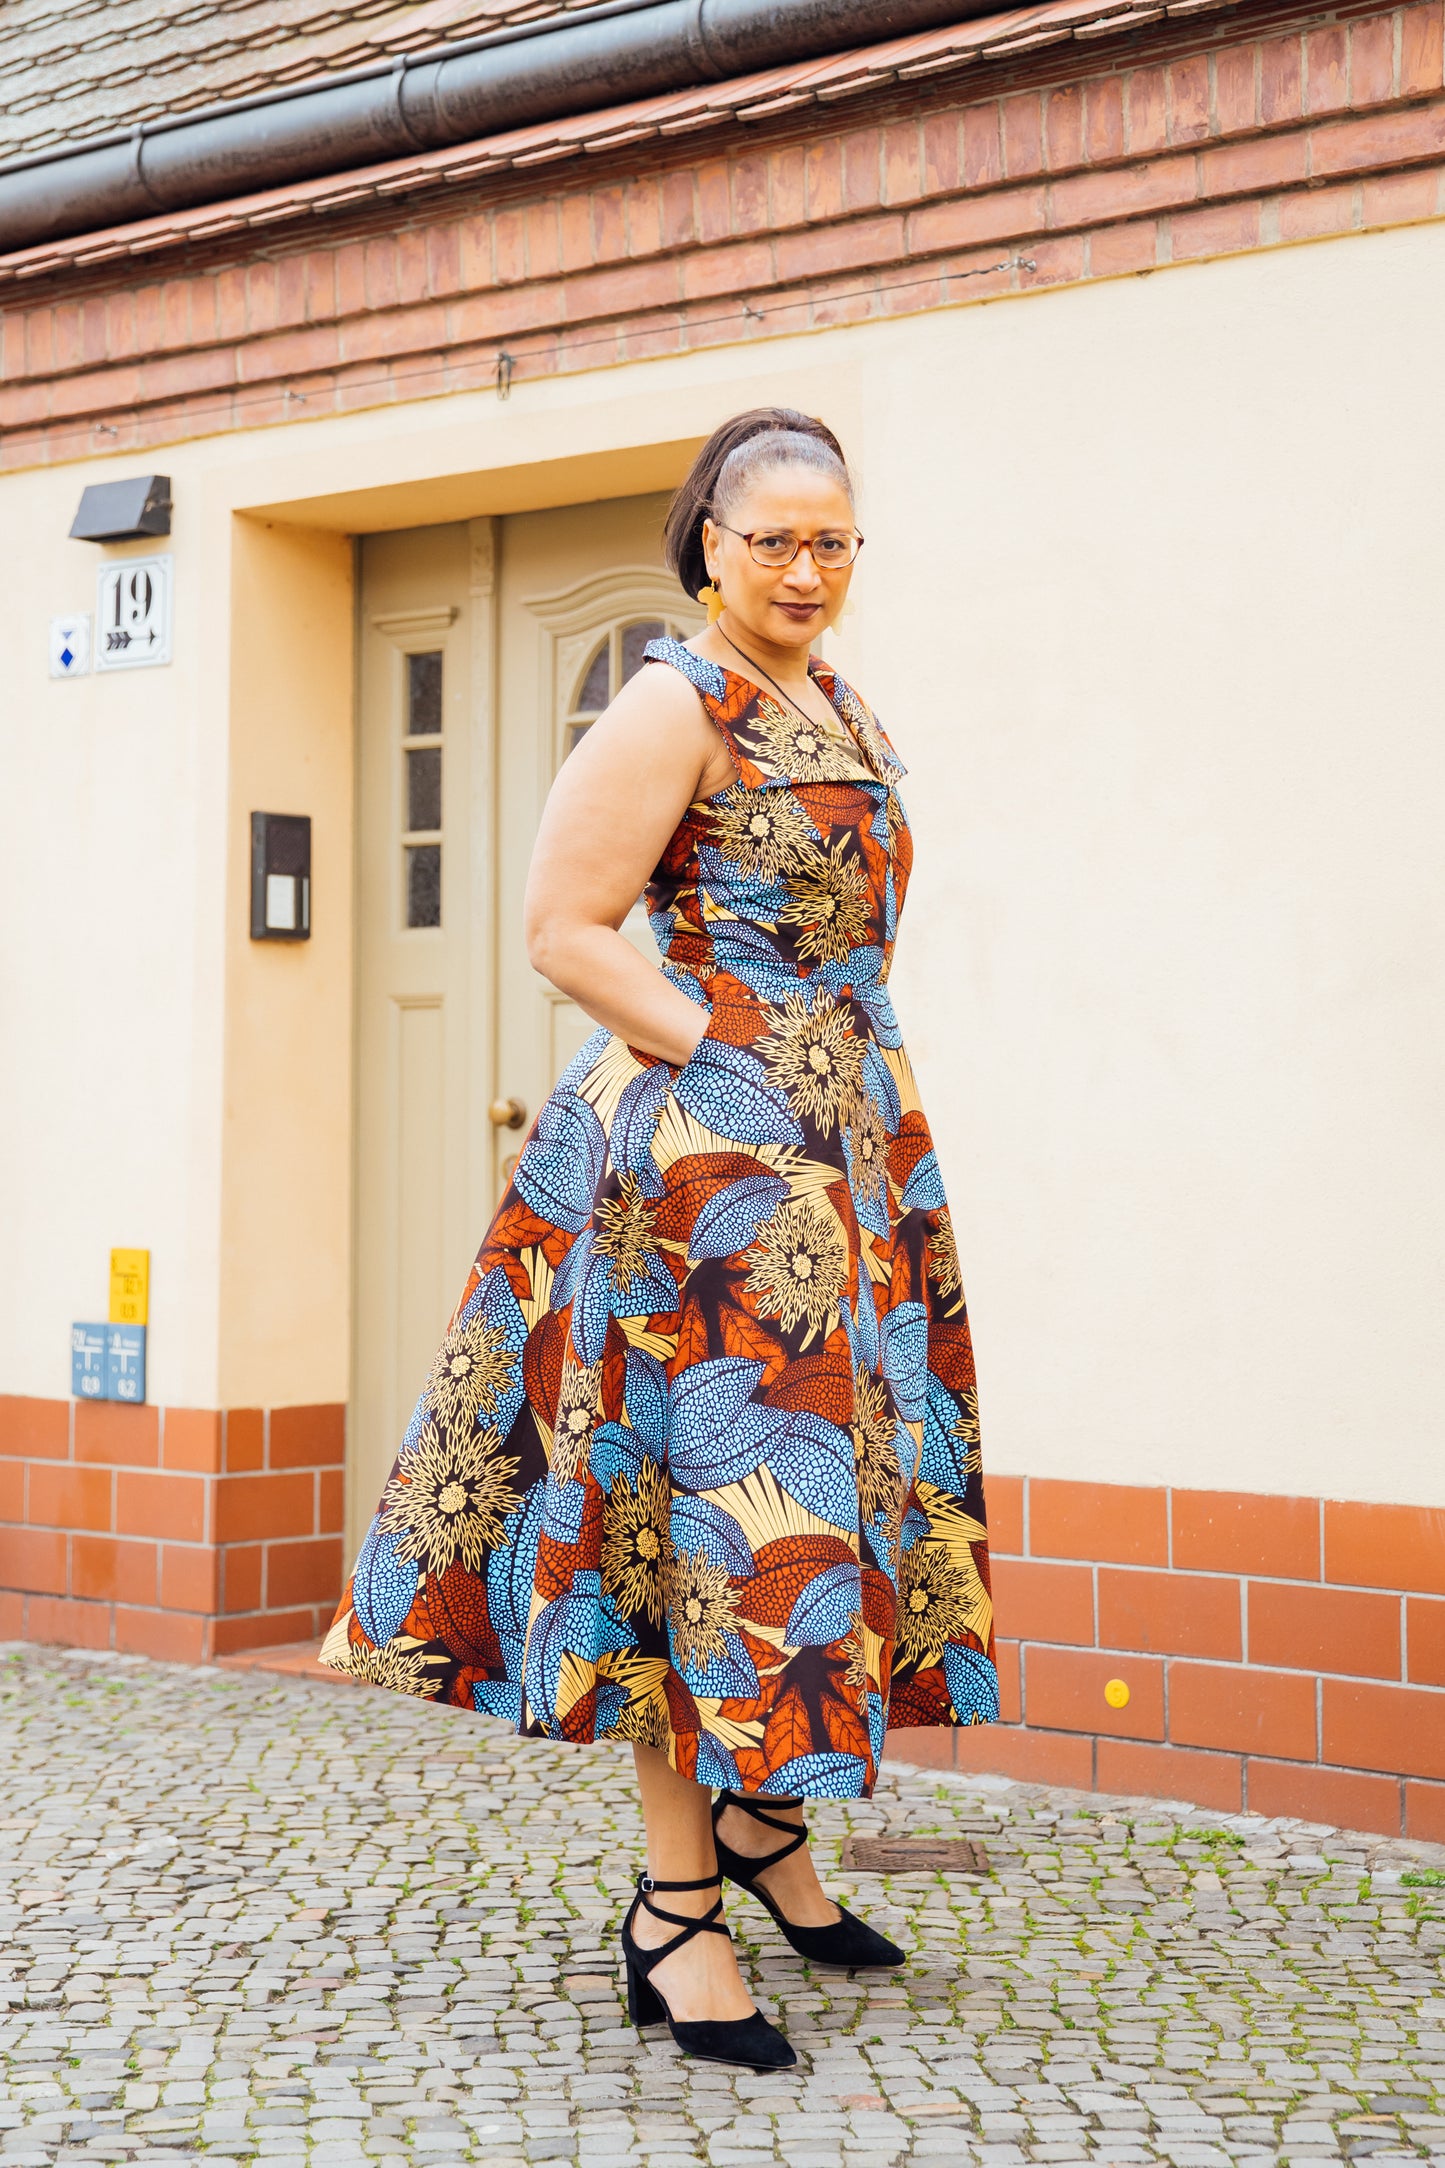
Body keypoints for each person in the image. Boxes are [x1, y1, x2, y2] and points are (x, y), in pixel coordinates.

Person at [323, 407, 998, 2070]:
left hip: (849, 1154)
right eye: (774, 540)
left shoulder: (834, 700)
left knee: (823, 1510)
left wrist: (836, 1110)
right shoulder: (670, 700)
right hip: (710, 1174)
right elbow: (562, 927)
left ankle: (766, 1832)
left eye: (832, 539)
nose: (805, 568)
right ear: (708, 542)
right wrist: (729, 1059)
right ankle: (676, 1911)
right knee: (702, 1527)